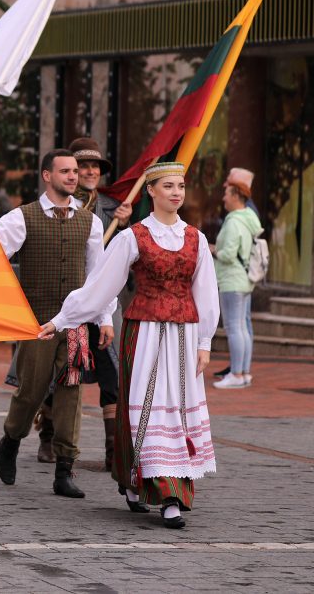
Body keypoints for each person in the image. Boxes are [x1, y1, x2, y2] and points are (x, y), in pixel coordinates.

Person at [41, 162, 220, 529]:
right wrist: (62, 319)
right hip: (144, 333)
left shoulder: (195, 238)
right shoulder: (132, 237)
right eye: (168, 186)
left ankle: (172, 494)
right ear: (151, 191)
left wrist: (205, 341)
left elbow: (206, 292)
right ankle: (144, 482)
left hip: (184, 335)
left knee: (179, 408)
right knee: (145, 408)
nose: (176, 192)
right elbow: (101, 286)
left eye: (181, 186)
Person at [0, 149, 114, 500]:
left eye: (75, 171)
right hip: (37, 323)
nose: (73, 177)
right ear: (47, 175)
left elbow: (98, 275)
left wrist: (104, 318)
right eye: (65, 171)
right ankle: (12, 439)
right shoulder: (20, 218)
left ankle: (64, 469)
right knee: (30, 391)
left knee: (71, 394)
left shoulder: (90, 221)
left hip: (75, 326)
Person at [212, 179, 262, 389]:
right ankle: (244, 373)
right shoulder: (249, 219)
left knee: (234, 328)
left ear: (236, 197)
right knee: (241, 327)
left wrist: (213, 249)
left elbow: (229, 254)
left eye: (227, 194)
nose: (224, 197)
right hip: (244, 279)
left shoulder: (233, 221)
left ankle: (236, 374)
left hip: (232, 279)